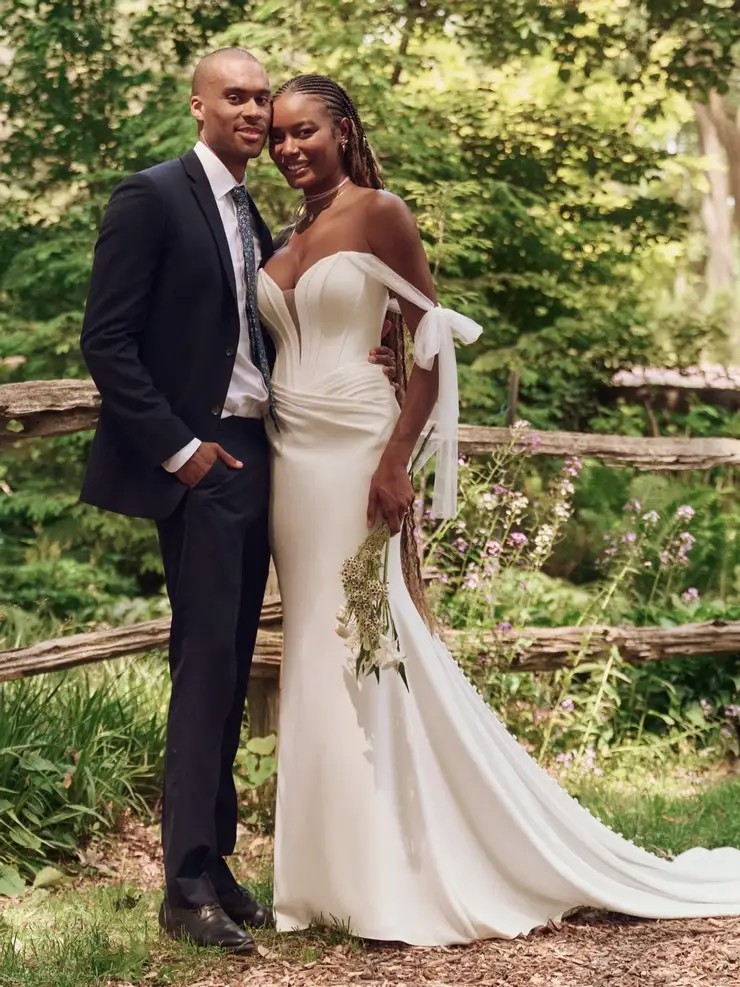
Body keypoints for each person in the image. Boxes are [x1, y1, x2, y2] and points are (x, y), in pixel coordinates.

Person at [258, 73, 740, 946]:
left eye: (305, 133)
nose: (288, 148)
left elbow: (432, 346)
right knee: (312, 652)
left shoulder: (380, 212)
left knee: (370, 643)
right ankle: (319, 877)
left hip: (360, 455)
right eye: (279, 136)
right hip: (292, 460)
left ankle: (393, 868)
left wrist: (398, 458)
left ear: (342, 130)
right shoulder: (285, 232)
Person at [79, 49, 396, 955]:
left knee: (229, 664)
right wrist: (183, 454)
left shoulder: (258, 210)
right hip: (205, 460)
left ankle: (215, 867)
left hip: (276, 453)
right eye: (239, 98)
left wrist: (366, 350)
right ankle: (182, 887)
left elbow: (268, 327)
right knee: (206, 665)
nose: (255, 112)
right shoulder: (153, 196)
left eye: (265, 98)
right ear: (199, 105)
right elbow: (107, 340)